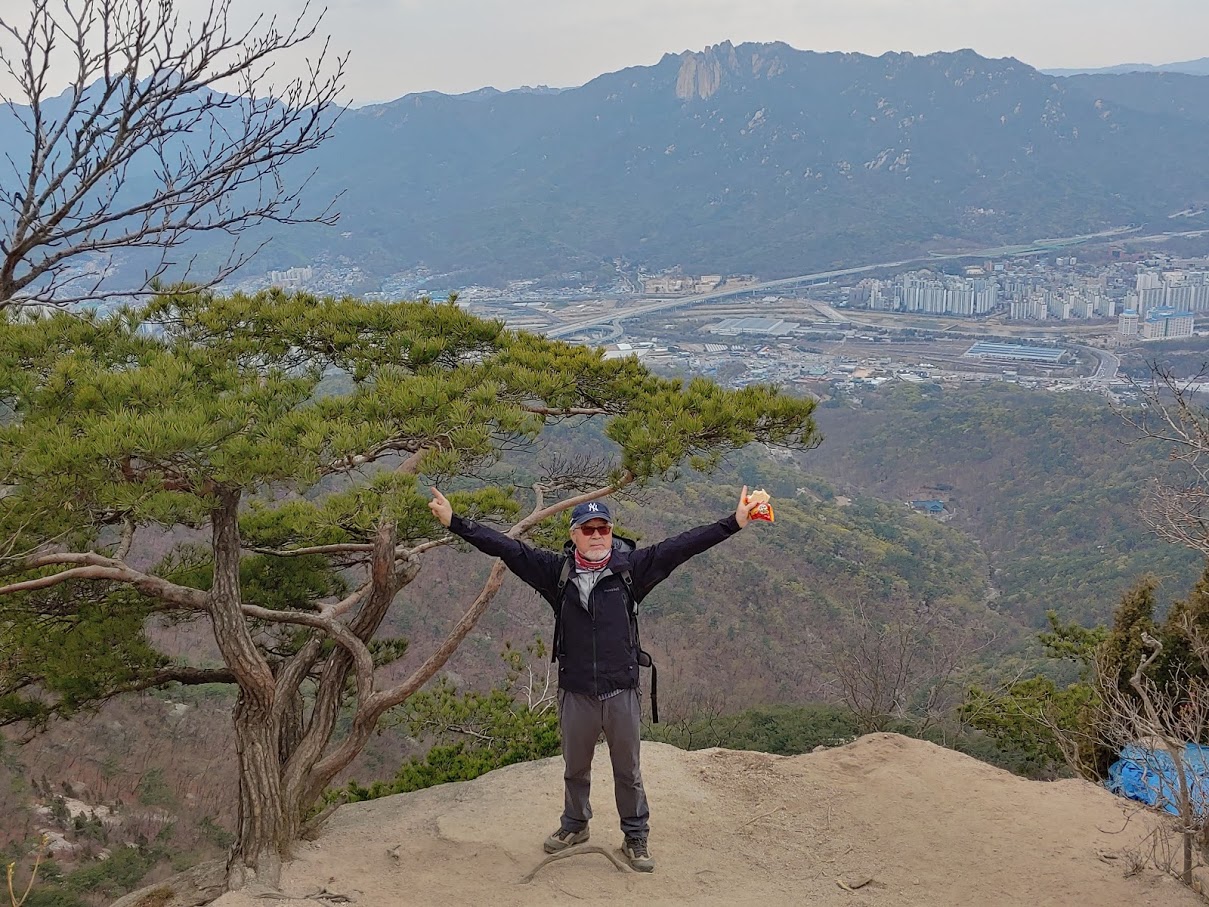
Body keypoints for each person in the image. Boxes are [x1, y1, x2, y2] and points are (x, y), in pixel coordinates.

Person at [428, 485, 765, 873]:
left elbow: (682, 546)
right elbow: (507, 548)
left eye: (602, 528)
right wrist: (455, 522)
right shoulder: (556, 572)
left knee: (628, 771)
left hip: (621, 689)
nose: (596, 536)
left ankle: (635, 836)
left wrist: (734, 522)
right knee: (575, 767)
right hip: (576, 692)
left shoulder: (631, 570)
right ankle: (575, 824)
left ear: (611, 532)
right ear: (574, 535)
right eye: (587, 529)